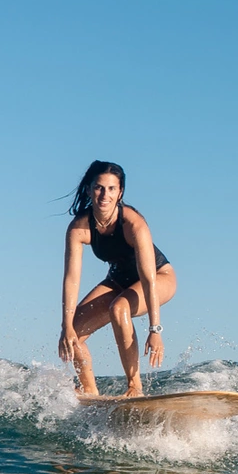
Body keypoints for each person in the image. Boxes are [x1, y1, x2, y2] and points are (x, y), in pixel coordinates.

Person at [58, 161, 176, 397]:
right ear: (89, 189)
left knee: (119, 308)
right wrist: (66, 326)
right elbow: (71, 279)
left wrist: (155, 329)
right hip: (117, 280)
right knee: (74, 333)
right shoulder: (79, 228)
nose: (105, 195)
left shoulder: (133, 224)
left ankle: (135, 387)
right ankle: (90, 390)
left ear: (120, 192)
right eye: (99, 187)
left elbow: (148, 279)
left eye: (111, 189)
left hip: (159, 278)